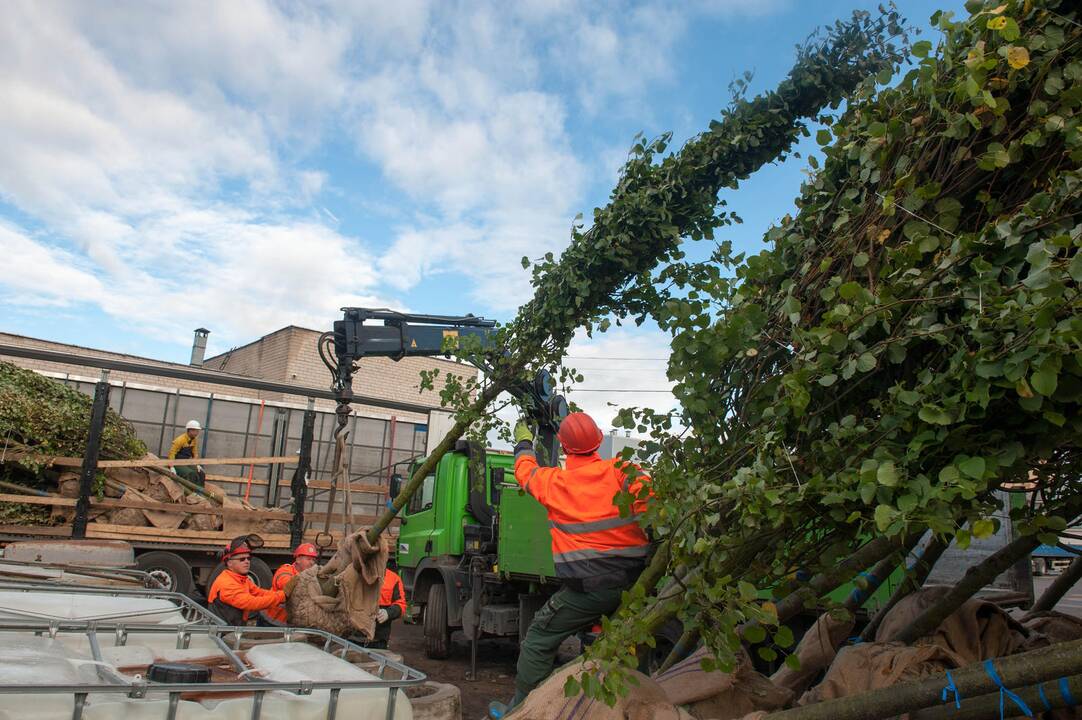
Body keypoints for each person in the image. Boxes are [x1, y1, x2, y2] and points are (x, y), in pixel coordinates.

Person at [489, 412, 651, 717]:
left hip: (588, 590)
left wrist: (524, 440)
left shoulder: (555, 483)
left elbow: (524, 472)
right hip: (635, 584)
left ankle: (523, 710)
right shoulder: (624, 471)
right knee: (631, 640)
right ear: (599, 440)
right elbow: (655, 507)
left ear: (563, 448)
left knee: (539, 639)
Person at [207, 537, 292, 625]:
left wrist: (282, 594)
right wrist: (282, 596)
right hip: (221, 632)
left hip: (232, 627)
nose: (247, 562)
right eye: (242, 559)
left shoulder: (241, 579)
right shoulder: (226, 583)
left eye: (248, 558)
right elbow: (251, 603)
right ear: (229, 563)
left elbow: (259, 592)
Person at [264, 543, 320, 624]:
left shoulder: (311, 576)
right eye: (308, 559)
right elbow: (288, 586)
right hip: (271, 621)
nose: (311, 563)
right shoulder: (285, 570)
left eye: (313, 560)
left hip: (289, 623)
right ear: (298, 559)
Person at [369, 560, 406, 649]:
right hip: (354, 638)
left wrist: (388, 613)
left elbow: (401, 605)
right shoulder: (357, 574)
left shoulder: (394, 579)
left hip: (378, 640)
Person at [168, 420, 206, 487]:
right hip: (177, 463)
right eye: (196, 431)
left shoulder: (194, 440)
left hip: (187, 462)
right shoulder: (180, 440)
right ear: (190, 430)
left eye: (198, 431)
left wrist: (196, 464)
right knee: (191, 473)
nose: (197, 433)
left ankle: (200, 492)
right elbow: (172, 453)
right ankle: (190, 492)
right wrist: (171, 467)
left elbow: (195, 453)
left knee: (201, 473)